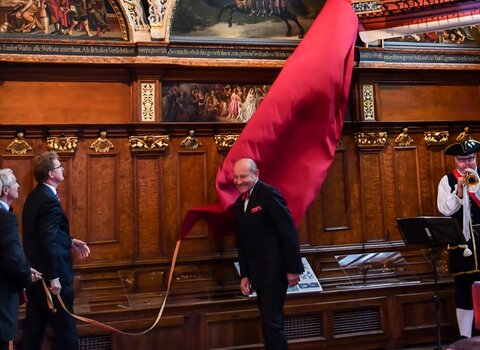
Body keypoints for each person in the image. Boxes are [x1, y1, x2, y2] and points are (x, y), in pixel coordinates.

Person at [233, 158, 304, 349]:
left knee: (272, 323)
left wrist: (292, 269)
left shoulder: (269, 194)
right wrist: (245, 274)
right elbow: (242, 242)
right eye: (236, 177)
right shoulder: (239, 203)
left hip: (275, 271)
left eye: (243, 176)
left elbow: (288, 232)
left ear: (256, 174)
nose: (239, 181)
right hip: (257, 273)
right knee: (268, 322)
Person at [22, 151, 90, 350]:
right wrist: (53, 277)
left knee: (34, 331)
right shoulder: (48, 200)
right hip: (52, 278)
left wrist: (69, 241)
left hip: (36, 275)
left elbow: (45, 234)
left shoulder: (35, 196)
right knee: (66, 331)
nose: (63, 169)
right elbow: (48, 241)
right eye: (60, 167)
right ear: (51, 173)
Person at [437, 139, 480, 338]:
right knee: (464, 289)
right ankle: (465, 337)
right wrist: (459, 191)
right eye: (462, 160)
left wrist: (475, 186)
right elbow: (445, 210)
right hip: (462, 244)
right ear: (455, 161)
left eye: (470, 158)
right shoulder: (447, 180)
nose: (466, 164)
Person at [0, 169, 41, 350]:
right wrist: (26, 276)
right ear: (5, 190)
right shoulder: (6, 220)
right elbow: (14, 258)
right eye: (15, 182)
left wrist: (25, 268)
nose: (18, 185)